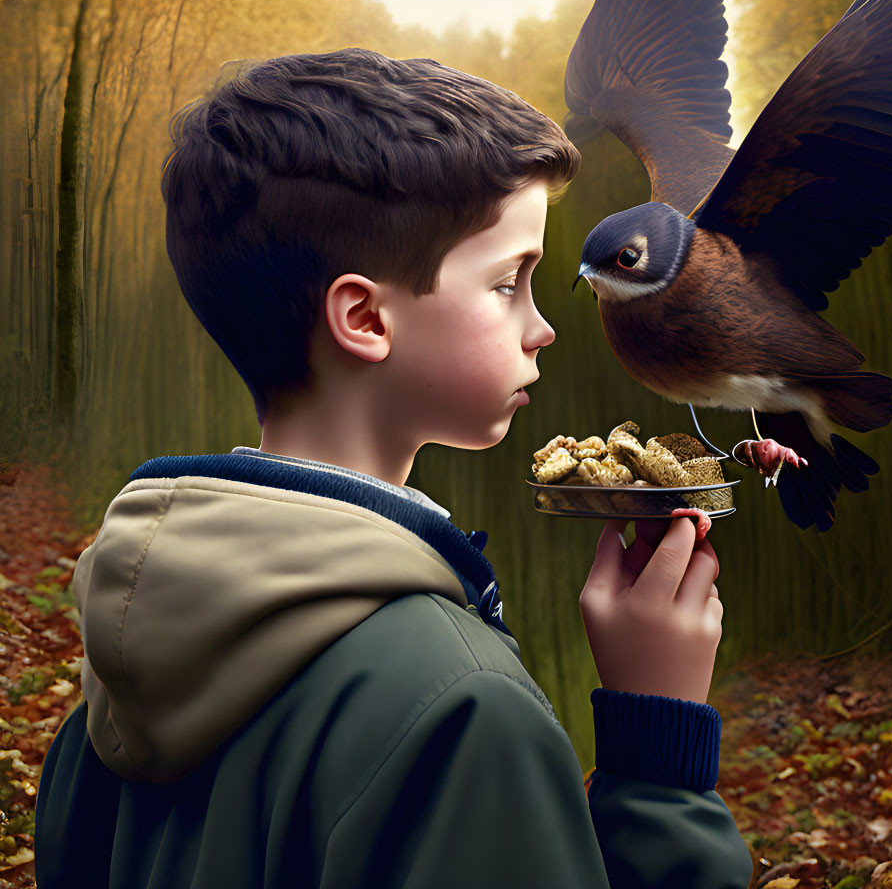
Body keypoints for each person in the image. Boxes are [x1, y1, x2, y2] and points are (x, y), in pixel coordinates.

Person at [35, 48, 753, 888]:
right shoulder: (461, 710)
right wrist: (658, 748)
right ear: (366, 318)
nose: (542, 327)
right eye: (508, 283)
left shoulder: (108, 690)